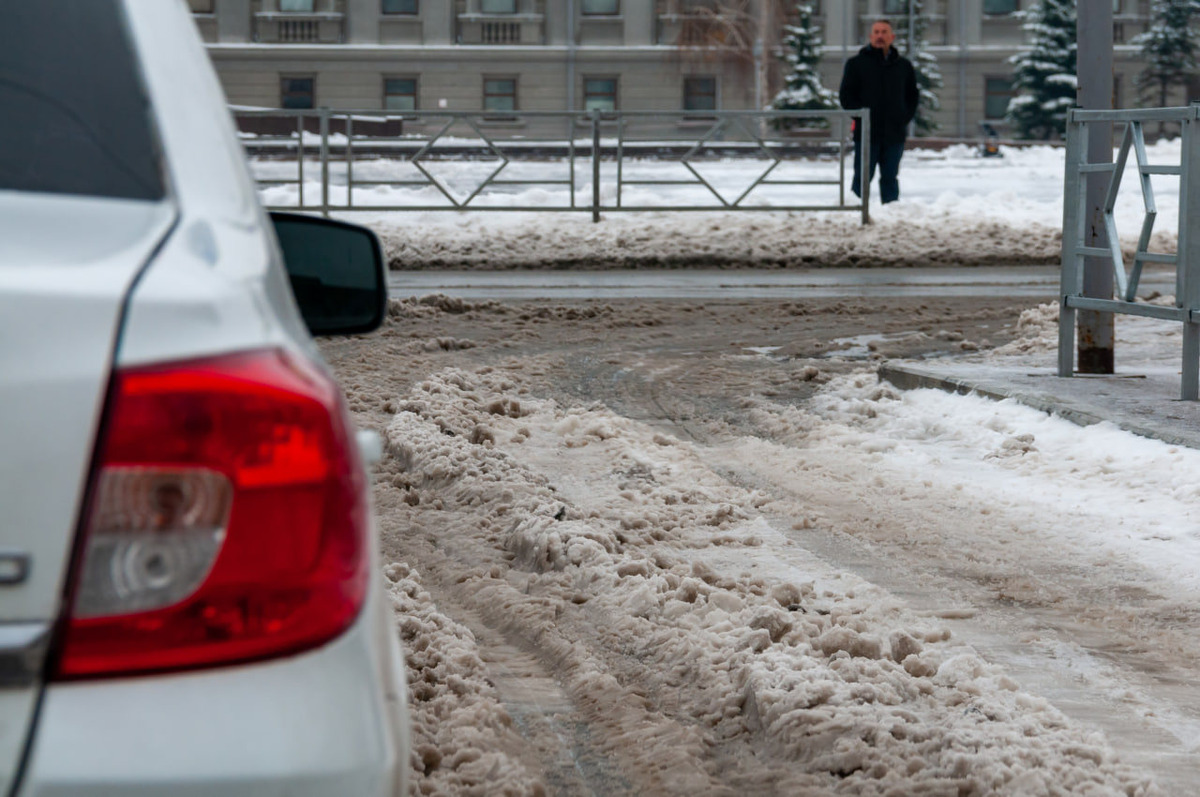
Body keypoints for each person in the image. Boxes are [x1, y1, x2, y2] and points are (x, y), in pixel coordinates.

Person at [838, 19, 919, 205]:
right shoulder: (856, 64)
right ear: (870, 36)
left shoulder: (903, 66)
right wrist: (861, 116)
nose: (880, 36)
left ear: (892, 37)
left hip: (894, 133)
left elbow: (912, 95)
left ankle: (891, 211)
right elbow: (846, 96)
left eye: (884, 32)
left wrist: (903, 117)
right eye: (876, 32)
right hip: (866, 133)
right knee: (862, 177)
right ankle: (856, 211)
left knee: (890, 177)